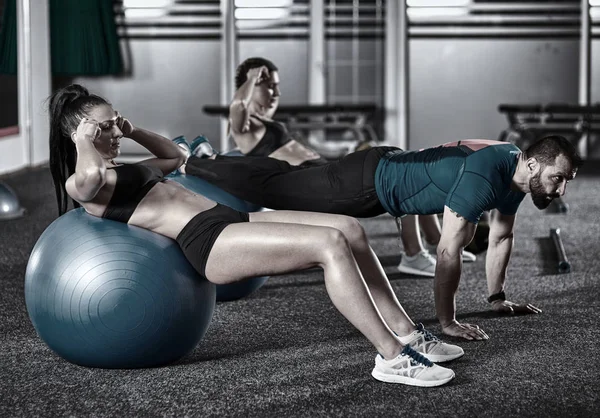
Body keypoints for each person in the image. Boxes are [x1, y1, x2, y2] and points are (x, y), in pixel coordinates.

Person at [47, 84, 463, 387]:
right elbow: (88, 176)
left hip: (228, 220)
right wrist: (83, 140)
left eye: (115, 124)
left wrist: (130, 129)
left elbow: (176, 157)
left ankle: (407, 333)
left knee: (348, 228)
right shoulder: (85, 184)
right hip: (208, 244)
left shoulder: (121, 168)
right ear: (82, 133)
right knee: (328, 245)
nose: (115, 134)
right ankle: (391, 357)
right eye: (106, 128)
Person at [180, 135, 582, 340]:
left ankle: (215, 159)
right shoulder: (485, 175)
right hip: (365, 185)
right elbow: (447, 251)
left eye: (565, 180)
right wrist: (447, 321)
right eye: (557, 178)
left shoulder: (516, 176)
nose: (561, 189)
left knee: (289, 176)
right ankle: (194, 161)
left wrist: (496, 299)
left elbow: (500, 238)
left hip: (379, 174)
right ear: (532, 164)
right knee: (273, 189)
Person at [181, 57, 475, 278]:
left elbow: (298, 144)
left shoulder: (269, 123)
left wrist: (338, 152)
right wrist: (250, 80)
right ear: (247, 88)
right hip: (305, 181)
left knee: (405, 166)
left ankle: (435, 241)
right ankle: (414, 253)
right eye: (265, 85)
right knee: (398, 180)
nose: (273, 91)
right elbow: (237, 111)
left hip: (321, 168)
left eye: (275, 86)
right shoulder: (245, 129)